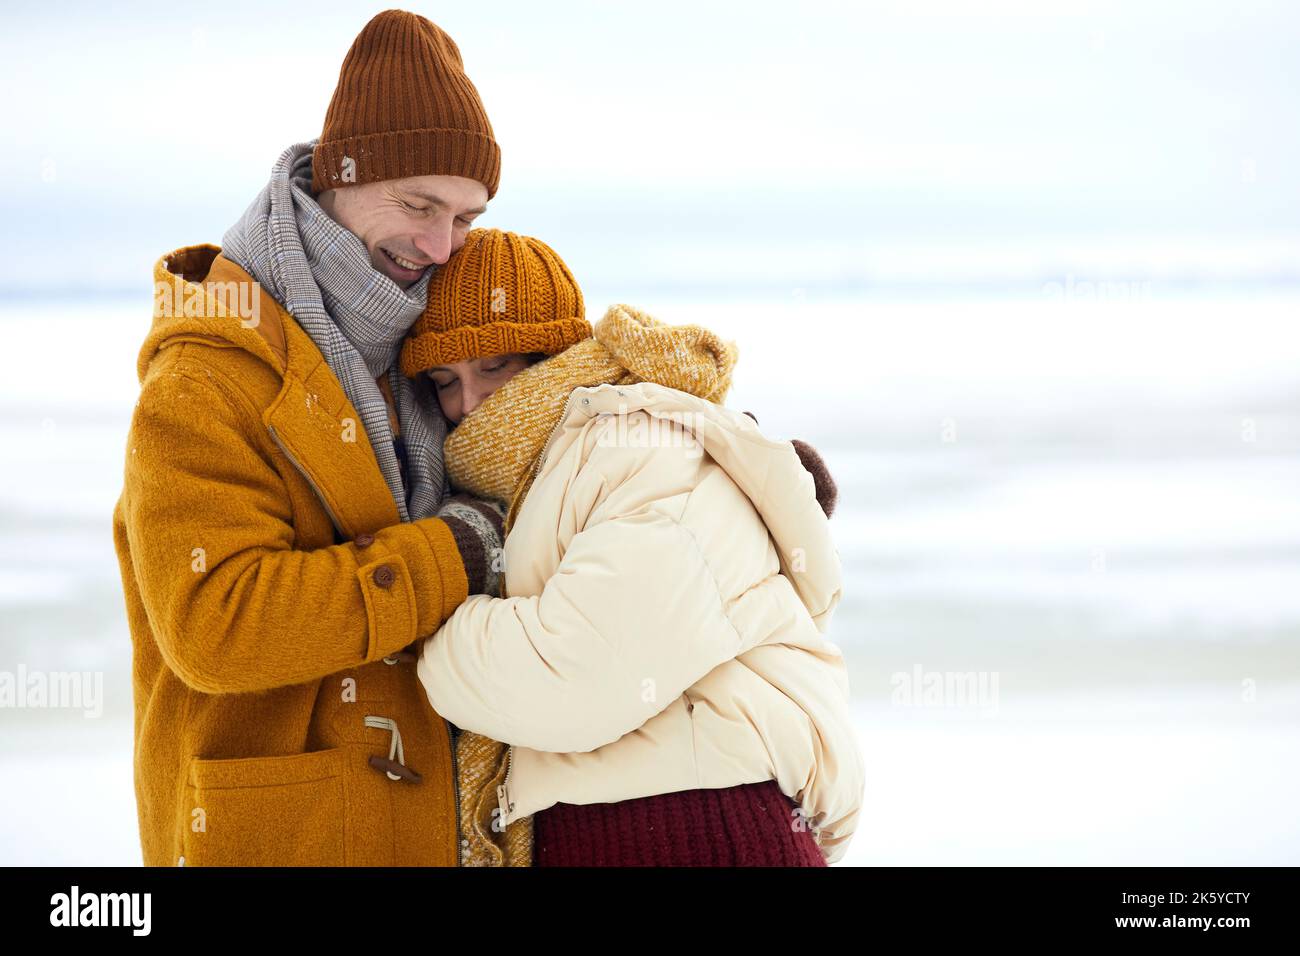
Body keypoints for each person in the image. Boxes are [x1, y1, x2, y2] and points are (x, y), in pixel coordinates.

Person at [112, 10, 510, 866]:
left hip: (428, 824)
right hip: (281, 836)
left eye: (467, 218)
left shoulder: (418, 336)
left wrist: (707, 452)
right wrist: (451, 558)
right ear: (337, 179)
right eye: (419, 204)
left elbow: (543, 392)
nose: (442, 247)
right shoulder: (204, 379)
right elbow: (217, 624)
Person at [407, 228, 865, 865]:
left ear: (556, 354)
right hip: (620, 833)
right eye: (444, 381)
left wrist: (427, 621)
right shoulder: (534, 481)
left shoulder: (641, 448)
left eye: (495, 365)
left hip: (700, 833)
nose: (471, 402)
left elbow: (575, 679)